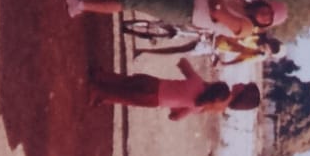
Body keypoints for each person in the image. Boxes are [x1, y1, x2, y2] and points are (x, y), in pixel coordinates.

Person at [65, 0, 287, 38]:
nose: (264, 15)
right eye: (267, 10)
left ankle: (80, 6)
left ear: (265, 25)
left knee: (133, 2)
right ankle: (85, 3)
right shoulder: (245, 5)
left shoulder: (247, 27)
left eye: (268, 19)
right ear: (265, 4)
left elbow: (217, 12)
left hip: (185, 11)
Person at [87, 59, 260, 120]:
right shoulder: (202, 107)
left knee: (128, 82)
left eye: (244, 86)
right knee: (126, 97)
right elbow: (177, 116)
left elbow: (183, 64)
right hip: (156, 100)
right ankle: (100, 95)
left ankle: (101, 77)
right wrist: (174, 114)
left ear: (241, 93)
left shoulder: (198, 83)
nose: (242, 83)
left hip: (156, 83)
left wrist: (191, 71)